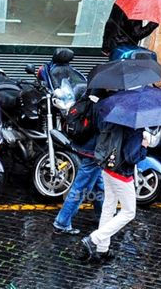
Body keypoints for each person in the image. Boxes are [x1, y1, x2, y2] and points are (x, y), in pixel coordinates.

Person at [80, 124, 148, 262]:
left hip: (108, 169)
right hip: (121, 175)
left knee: (108, 207)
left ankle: (102, 249)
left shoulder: (117, 122)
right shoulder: (136, 131)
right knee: (129, 212)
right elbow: (131, 157)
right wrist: (144, 147)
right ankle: (94, 239)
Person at [53, 97, 104, 235]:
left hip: (83, 146)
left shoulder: (89, 96)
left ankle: (103, 216)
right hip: (94, 152)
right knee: (81, 187)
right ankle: (61, 222)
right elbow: (103, 129)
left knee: (97, 183)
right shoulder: (104, 103)